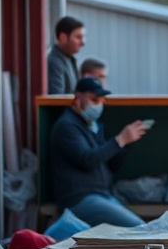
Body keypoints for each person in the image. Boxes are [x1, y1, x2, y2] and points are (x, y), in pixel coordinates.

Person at [48, 76, 148, 227]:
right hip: (79, 200)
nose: (99, 105)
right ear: (78, 99)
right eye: (94, 100)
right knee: (137, 227)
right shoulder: (66, 126)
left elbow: (111, 164)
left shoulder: (93, 126)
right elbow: (88, 160)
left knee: (140, 226)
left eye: (102, 101)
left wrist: (127, 143)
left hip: (103, 195)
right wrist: (120, 139)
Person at [47, 16, 85, 94]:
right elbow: (57, 99)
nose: (83, 42)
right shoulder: (54, 63)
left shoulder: (70, 60)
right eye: (78, 37)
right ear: (63, 38)